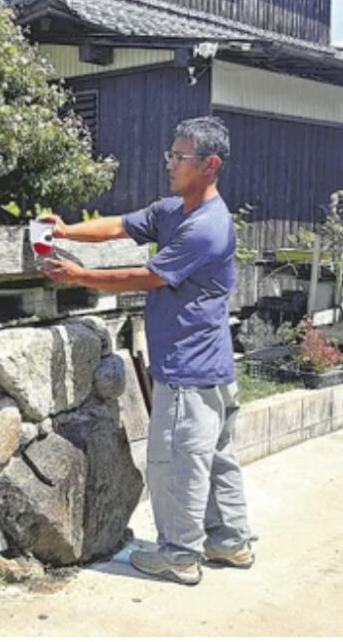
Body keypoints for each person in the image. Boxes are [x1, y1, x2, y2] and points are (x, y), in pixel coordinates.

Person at [39, 115, 253, 586]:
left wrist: (79, 277)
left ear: (211, 165)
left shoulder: (207, 227)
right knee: (215, 459)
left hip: (189, 368)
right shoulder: (173, 210)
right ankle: (229, 542)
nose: (170, 164)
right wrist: (67, 231)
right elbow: (121, 225)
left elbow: (148, 277)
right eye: (170, 155)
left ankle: (179, 555)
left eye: (181, 157)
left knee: (176, 463)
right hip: (213, 365)